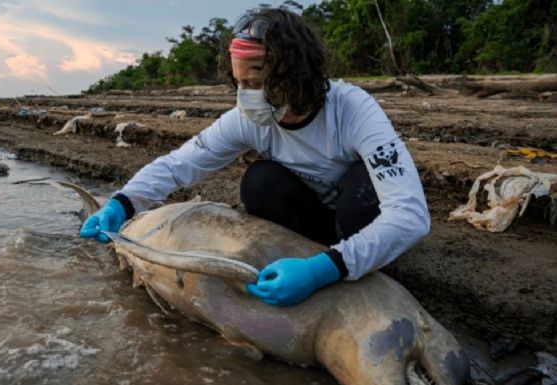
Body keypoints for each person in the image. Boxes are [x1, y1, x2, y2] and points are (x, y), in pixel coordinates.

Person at [80, 8, 430, 307]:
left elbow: (410, 215)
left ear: (296, 73)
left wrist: (325, 269)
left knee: (363, 187)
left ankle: (357, 267)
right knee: (260, 181)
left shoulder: (353, 110)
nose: (248, 96)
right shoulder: (248, 119)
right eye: (240, 85)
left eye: (258, 81)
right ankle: (300, 265)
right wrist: (123, 203)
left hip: (356, 220)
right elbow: (180, 164)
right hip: (312, 225)